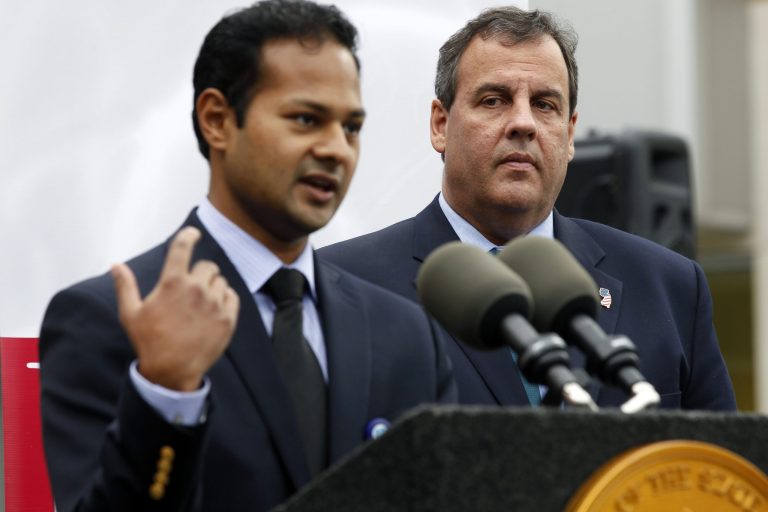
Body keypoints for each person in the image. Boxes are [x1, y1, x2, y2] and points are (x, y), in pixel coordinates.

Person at [39, 2, 456, 511]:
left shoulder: (407, 335)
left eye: (351, 127)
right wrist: (166, 393)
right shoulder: (109, 320)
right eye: (306, 119)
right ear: (217, 120)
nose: (336, 150)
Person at [320, 6, 736, 411]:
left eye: (544, 104)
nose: (523, 123)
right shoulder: (340, 286)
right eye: (494, 100)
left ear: (569, 134)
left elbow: (724, 470)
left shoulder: (669, 286)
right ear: (440, 125)